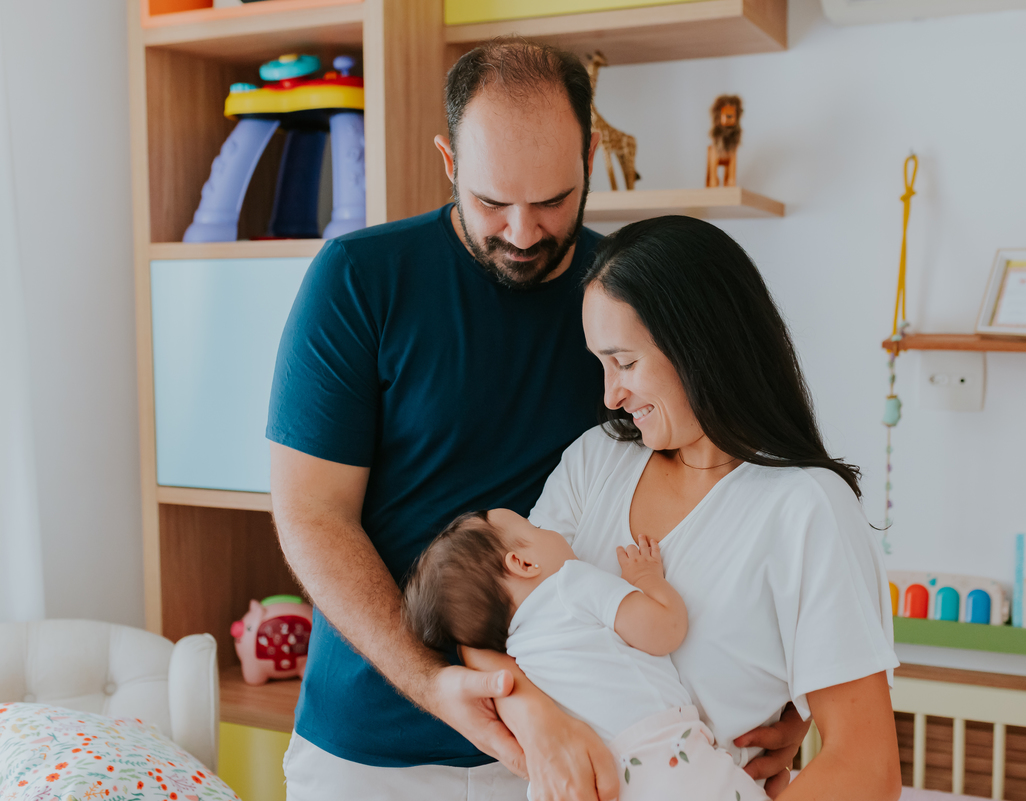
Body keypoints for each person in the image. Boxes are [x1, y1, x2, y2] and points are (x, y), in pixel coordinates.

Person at [266, 40, 806, 801]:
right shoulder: (358, 280)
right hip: (371, 745)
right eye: (492, 202)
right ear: (449, 162)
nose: (523, 232)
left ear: (590, 158)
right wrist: (442, 683)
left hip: (583, 743)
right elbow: (312, 515)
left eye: (553, 200)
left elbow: (710, 488)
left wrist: (782, 692)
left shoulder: (626, 299)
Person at [464, 216, 903, 800]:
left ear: (701, 345)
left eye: (625, 363)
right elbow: (485, 620)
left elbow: (866, 767)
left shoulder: (805, 509)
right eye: (601, 364)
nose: (610, 395)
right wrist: (535, 718)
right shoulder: (596, 460)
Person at [404, 508, 770, 801]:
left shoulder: (516, 654)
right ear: (524, 564)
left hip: (579, 779)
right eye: (535, 527)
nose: (549, 530)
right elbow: (665, 630)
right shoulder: (569, 584)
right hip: (660, 758)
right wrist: (647, 580)